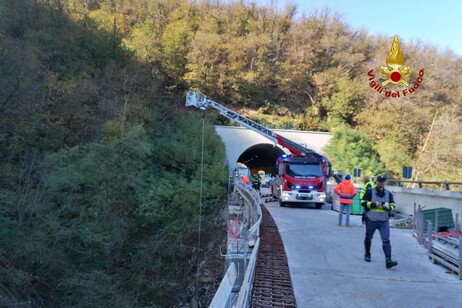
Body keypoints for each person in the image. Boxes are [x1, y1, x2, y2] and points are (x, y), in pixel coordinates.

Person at [361, 175, 398, 269]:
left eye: (383, 181)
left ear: (385, 182)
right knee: (368, 238)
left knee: (386, 240)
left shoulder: (388, 193)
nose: (381, 183)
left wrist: (389, 207)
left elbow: (393, 204)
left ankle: (388, 261)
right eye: (380, 181)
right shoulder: (370, 192)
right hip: (371, 220)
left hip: (384, 221)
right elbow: (363, 202)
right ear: (376, 182)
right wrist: (374, 204)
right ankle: (367, 254)